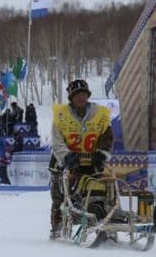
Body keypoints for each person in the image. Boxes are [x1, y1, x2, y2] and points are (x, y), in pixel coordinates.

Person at [48, 79, 114, 240]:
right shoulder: (61, 115)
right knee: (60, 195)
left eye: (83, 94)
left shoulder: (100, 114)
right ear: (71, 98)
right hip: (65, 162)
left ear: (87, 95)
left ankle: (105, 220)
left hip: (92, 162)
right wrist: (68, 158)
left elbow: (107, 136)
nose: (80, 98)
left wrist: (101, 153)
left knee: (103, 190)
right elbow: (57, 141)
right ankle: (57, 226)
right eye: (76, 95)